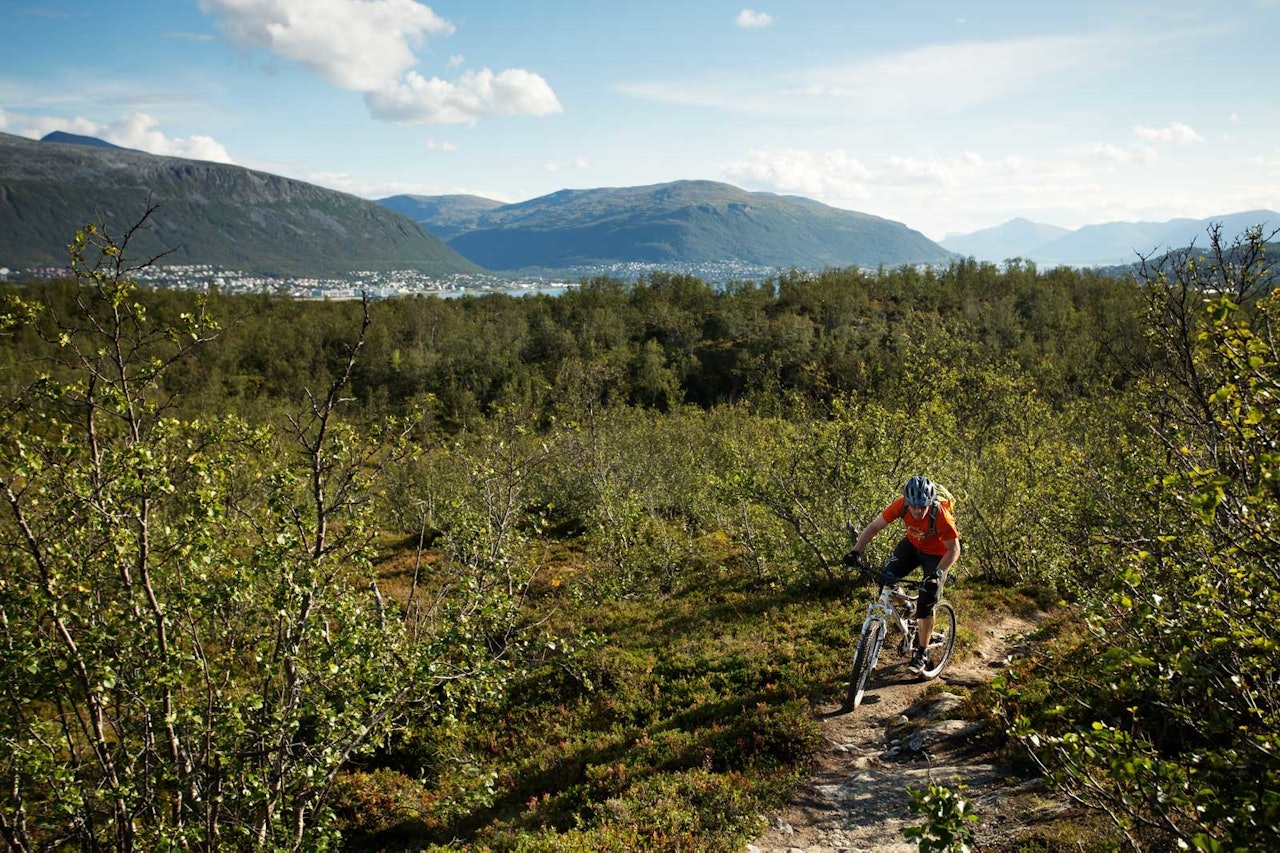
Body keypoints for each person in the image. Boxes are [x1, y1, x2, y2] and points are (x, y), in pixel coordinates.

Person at [844, 475, 960, 674]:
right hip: (912, 547)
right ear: (907, 501)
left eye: (922, 506)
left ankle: (922, 652)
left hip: (937, 555)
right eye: (914, 506)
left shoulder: (941, 516)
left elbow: (954, 550)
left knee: (927, 599)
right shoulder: (901, 506)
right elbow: (873, 527)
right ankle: (907, 606)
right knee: (885, 579)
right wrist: (855, 551)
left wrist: (937, 574)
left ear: (930, 503)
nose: (917, 510)